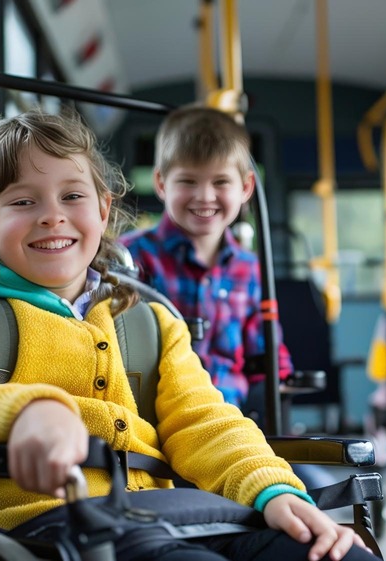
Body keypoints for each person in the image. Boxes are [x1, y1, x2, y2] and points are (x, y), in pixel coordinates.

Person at [0, 108, 375, 561]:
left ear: (104, 209)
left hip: (173, 518)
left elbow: (204, 421)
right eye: (23, 201)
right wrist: (27, 412)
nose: (52, 216)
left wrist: (271, 489)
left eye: (72, 196)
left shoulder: (150, 321)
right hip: (45, 523)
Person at [118, 106, 294, 419]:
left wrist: (278, 380)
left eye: (220, 182)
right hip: (153, 421)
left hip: (231, 421)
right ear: (161, 184)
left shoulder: (250, 269)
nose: (204, 196)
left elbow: (266, 354)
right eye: (187, 181)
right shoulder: (130, 257)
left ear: (246, 188)